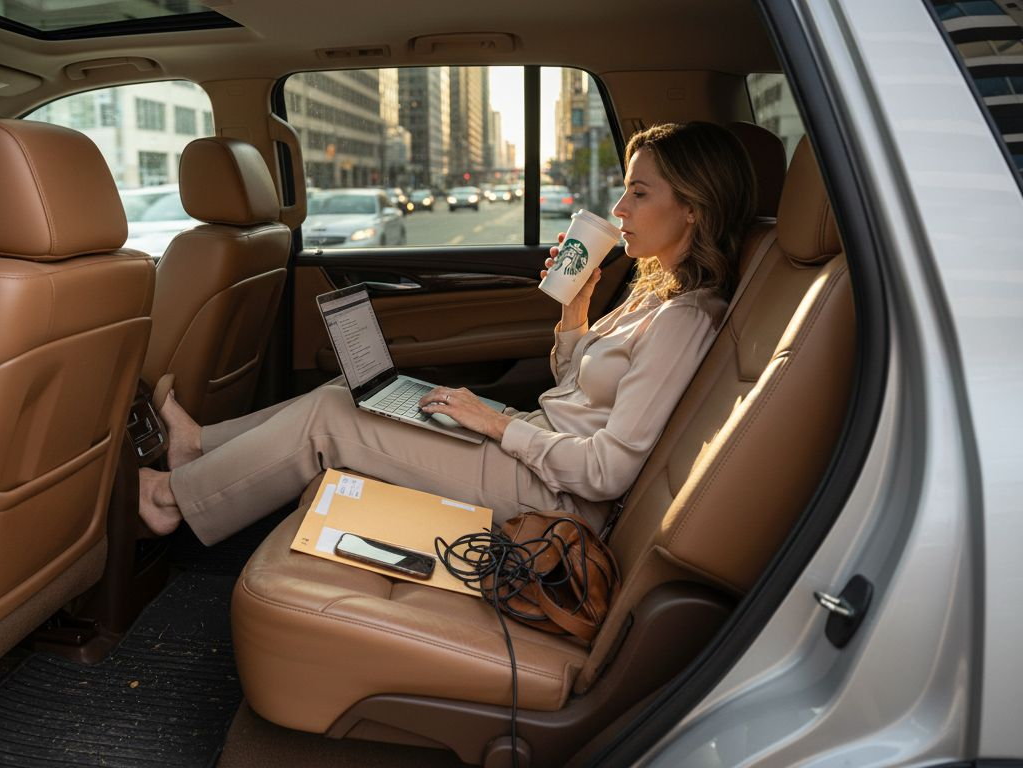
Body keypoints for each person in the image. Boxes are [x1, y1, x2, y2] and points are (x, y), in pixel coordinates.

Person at [139, 121, 757, 545]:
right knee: (346, 391)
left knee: (329, 421)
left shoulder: (685, 320)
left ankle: (171, 500)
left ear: (694, 208)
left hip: (552, 498)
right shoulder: (654, 292)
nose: (619, 207)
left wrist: (495, 425)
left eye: (639, 192)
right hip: (536, 453)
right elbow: (578, 393)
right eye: (624, 189)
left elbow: (607, 474)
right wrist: (575, 313)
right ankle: (199, 447)